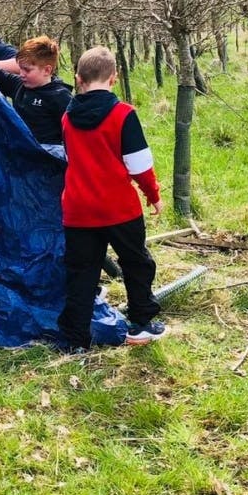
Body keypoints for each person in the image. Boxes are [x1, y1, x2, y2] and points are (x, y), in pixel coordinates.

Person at [57, 46, 166, 350]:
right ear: (114, 79)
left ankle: (76, 341)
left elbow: (71, 157)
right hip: (118, 209)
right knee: (136, 264)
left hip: (78, 210)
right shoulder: (123, 115)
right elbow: (139, 165)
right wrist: (153, 195)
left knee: (82, 274)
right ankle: (141, 325)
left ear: (78, 79)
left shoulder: (67, 117)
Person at [0, 35, 73, 160]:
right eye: (20, 69)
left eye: (27, 70)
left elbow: (74, 134)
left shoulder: (60, 96)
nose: (21, 74)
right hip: (22, 158)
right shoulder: (19, 86)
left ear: (47, 70)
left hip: (49, 162)